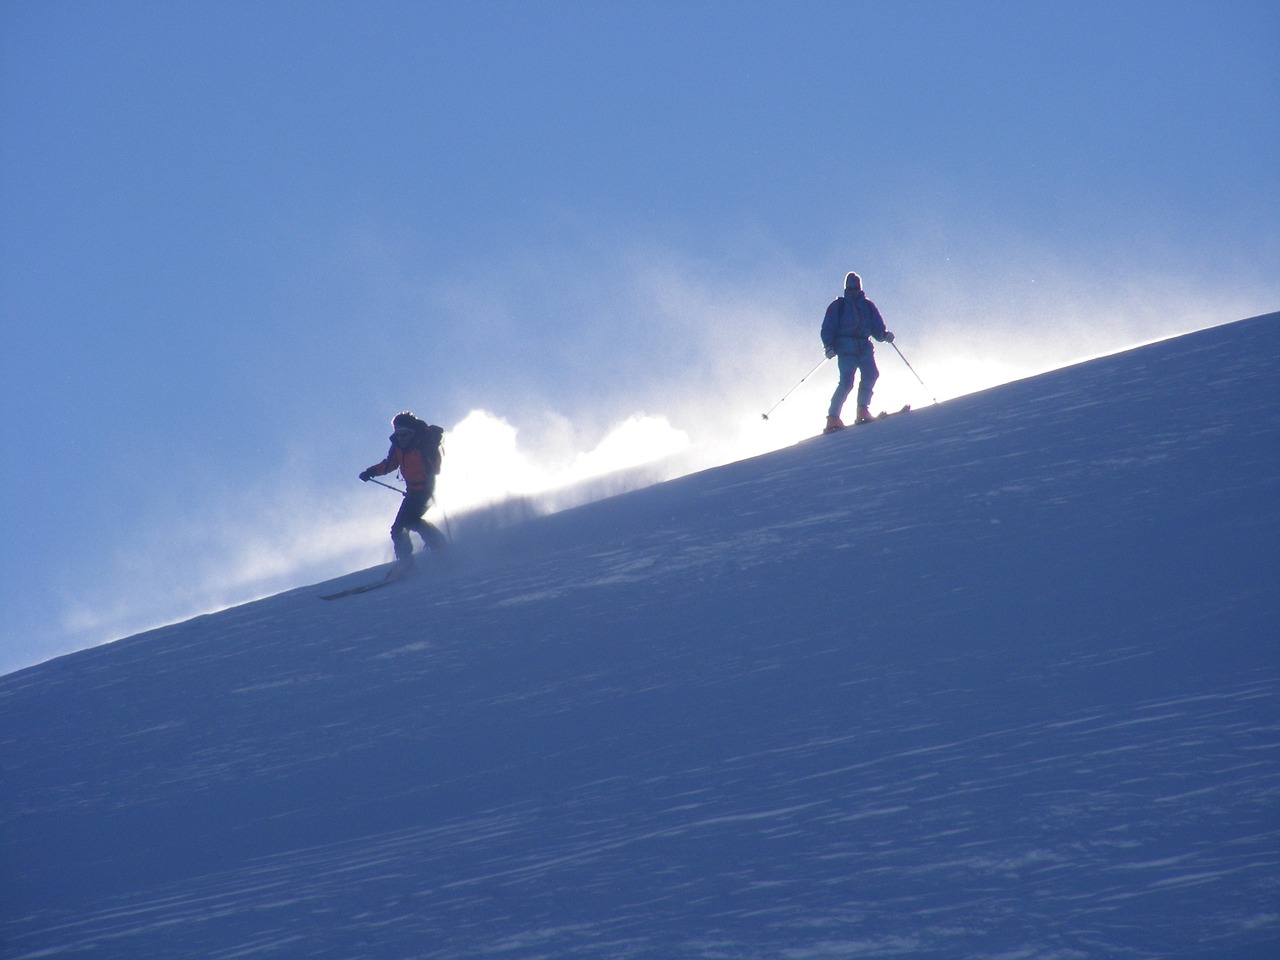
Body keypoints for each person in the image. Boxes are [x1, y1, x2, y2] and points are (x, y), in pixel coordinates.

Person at [360, 412, 447, 576]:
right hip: (412, 491)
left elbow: (436, 469)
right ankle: (432, 547)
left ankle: (413, 559)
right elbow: (389, 465)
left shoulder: (424, 445)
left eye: (404, 434)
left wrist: (430, 451)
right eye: (398, 434)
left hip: (426, 489)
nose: (401, 438)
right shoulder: (398, 447)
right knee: (404, 525)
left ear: (412, 432)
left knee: (406, 524)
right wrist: (370, 472)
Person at [820, 271, 895, 433]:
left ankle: (862, 409)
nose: (853, 291)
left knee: (871, 374)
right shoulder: (839, 306)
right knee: (847, 382)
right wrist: (829, 346)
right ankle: (833, 417)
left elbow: (877, 327)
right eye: (850, 288)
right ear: (846, 288)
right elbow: (828, 327)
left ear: (860, 288)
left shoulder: (867, 306)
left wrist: (884, 335)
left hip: (863, 346)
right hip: (845, 347)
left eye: (856, 288)